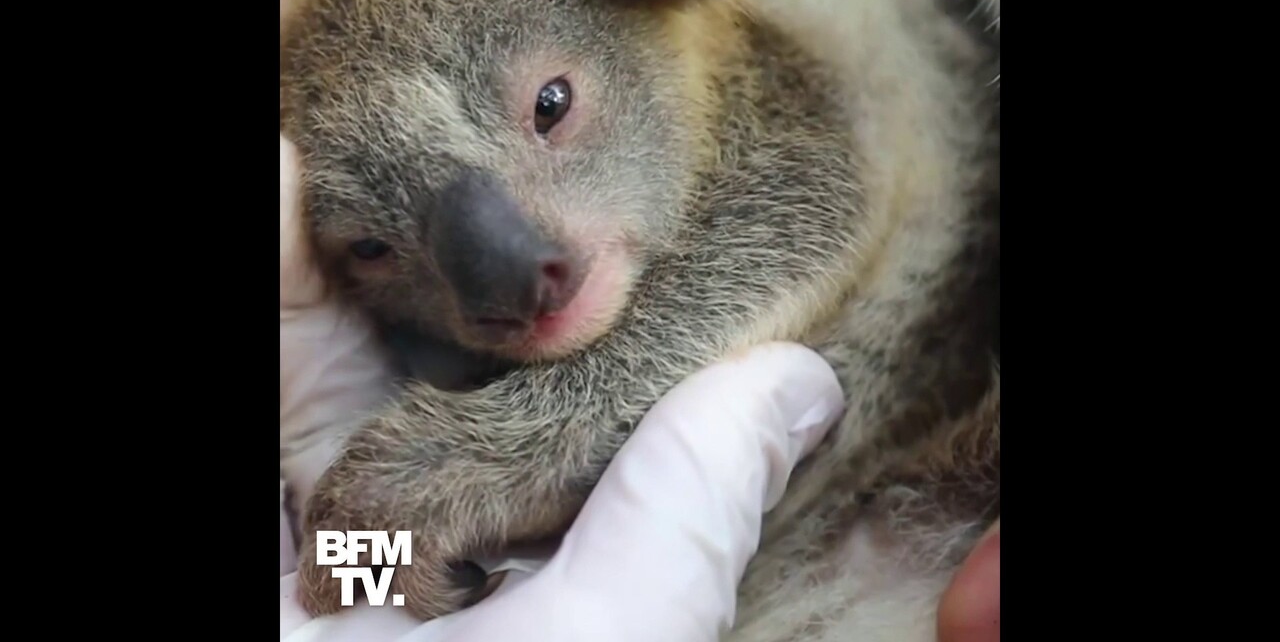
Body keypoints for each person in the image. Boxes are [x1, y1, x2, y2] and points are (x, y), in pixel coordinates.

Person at [278, 136, 999, 642]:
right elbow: (351, 595)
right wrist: (353, 582)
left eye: (551, 110)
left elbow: (823, 179)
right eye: (372, 247)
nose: (513, 290)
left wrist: (514, 438)